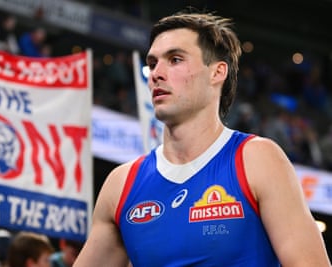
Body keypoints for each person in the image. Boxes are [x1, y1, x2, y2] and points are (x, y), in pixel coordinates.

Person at [73, 9, 331, 267]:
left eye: (175, 59)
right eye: (152, 63)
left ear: (217, 72)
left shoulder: (258, 160)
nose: (156, 74)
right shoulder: (121, 185)